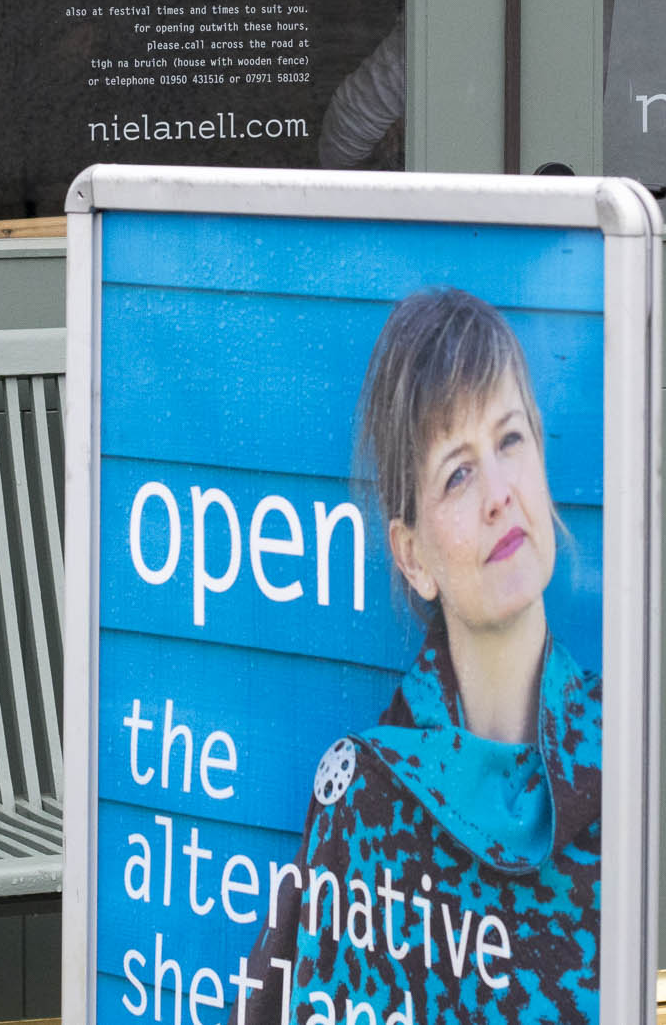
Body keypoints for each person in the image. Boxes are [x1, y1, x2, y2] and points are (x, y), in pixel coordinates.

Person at [244, 287, 602, 1025]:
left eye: (510, 441)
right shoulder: (369, 805)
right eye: (458, 474)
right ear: (413, 557)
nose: (500, 493)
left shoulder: (629, 757)